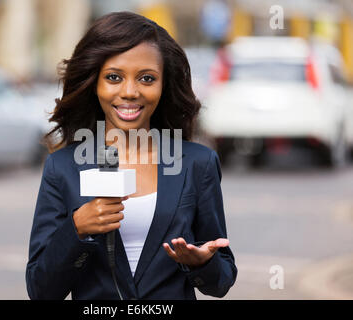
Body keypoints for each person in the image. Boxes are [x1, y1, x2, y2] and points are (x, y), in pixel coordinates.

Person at [26, 11, 237, 300]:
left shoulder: (197, 164)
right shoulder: (62, 168)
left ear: (163, 85)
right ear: (95, 82)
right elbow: (41, 290)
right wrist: (77, 229)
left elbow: (222, 280)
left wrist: (201, 262)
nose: (129, 92)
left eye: (147, 79)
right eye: (114, 77)